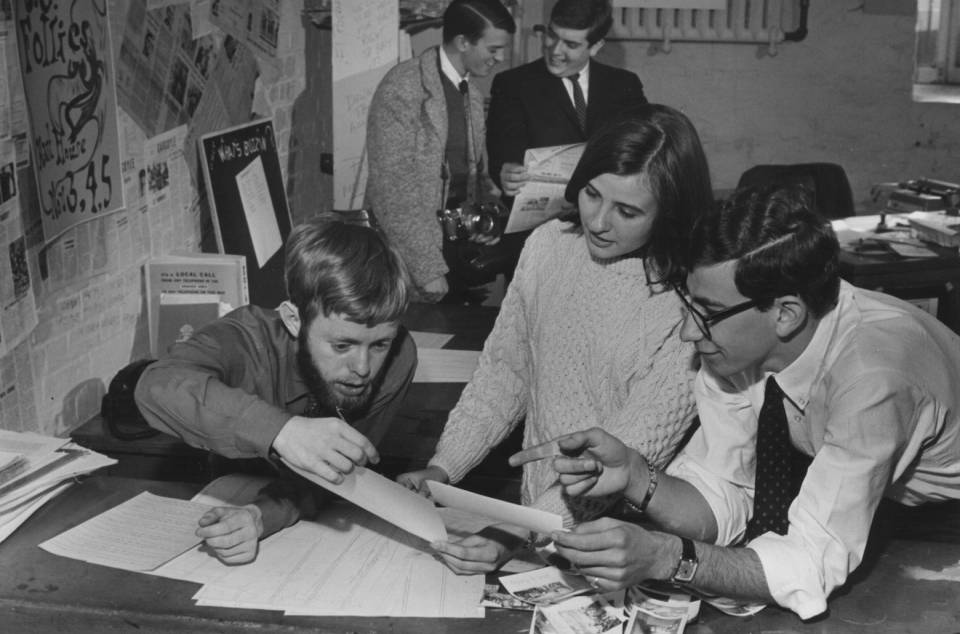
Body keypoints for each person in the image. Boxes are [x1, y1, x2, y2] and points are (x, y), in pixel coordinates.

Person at [514, 184, 960, 619]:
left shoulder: (872, 379)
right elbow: (721, 496)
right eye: (689, 306)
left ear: (785, 313)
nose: (689, 332)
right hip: (878, 493)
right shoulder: (737, 345)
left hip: (943, 520)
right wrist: (636, 475)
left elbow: (809, 562)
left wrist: (670, 557)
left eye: (706, 314)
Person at [398, 104, 712, 574]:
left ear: (670, 213)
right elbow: (505, 373)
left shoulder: (692, 299)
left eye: (627, 211)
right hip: (536, 521)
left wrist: (519, 531)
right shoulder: (547, 245)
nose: (599, 221)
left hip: (630, 547)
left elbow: (625, 454)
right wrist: (443, 469)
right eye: (591, 194)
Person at [135, 213, 417, 563]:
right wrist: (282, 431)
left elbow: (334, 477)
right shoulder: (245, 340)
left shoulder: (399, 356)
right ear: (294, 319)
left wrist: (260, 515)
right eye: (342, 346)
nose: (363, 369)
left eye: (378, 346)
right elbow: (156, 385)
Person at [365, 0, 515, 303]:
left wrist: (484, 216)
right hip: (413, 257)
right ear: (463, 42)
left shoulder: (470, 92)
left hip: (453, 251)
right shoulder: (403, 88)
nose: (500, 58)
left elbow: (469, 173)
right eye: (493, 49)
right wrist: (427, 268)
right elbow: (392, 189)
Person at [486, 0, 648, 274]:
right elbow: (503, 156)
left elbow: (642, 154)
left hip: (608, 235)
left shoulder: (624, 85)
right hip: (540, 239)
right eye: (552, 35)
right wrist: (507, 173)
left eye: (571, 45)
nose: (555, 50)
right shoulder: (513, 85)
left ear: (595, 46)